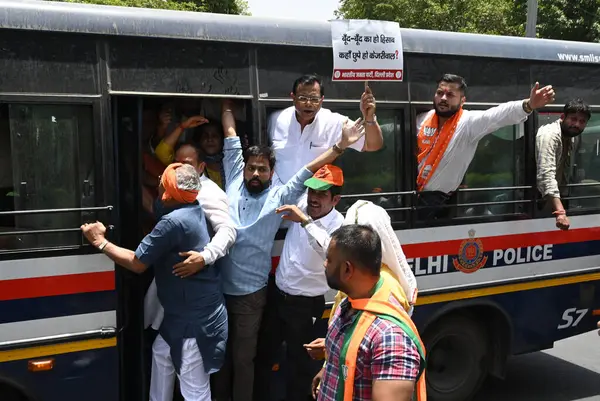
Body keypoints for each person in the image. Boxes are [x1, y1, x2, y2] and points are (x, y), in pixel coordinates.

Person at [209, 99, 365, 401]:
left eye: (263, 169)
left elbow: (309, 169)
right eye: (251, 168)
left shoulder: (285, 198)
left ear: (272, 172)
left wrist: (341, 146)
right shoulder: (234, 179)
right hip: (223, 289)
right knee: (230, 358)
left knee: (258, 361)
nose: (255, 173)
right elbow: (231, 139)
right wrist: (226, 103)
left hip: (258, 297)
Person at [81, 163, 227, 401]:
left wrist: (100, 242)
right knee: (162, 354)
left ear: (168, 193)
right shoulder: (190, 206)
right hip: (180, 316)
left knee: (195, 392)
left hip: (194, 323)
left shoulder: (173, 222)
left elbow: (137, 263)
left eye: (162, 181)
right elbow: (154, 203)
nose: (158, 181)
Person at [281, 200, 418, 362]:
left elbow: (378, 353)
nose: (325, 263)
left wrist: (331, 350)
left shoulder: (386, 292)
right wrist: (330, 346)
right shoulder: (356, 279)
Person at [254, 164, 345, 401]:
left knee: (300, 368)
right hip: (278, 296)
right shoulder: (303, 204)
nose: (313, 199)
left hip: (304, 306)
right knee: (264, 356)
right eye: (312, 192)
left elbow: (329, 250)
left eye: (321, 194)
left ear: (335, 200)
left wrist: (305, 221)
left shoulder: (340, 226)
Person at [416, 74, 556, 219]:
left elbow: (497, 115)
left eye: (450, 95)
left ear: (462, 100)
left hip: (436, 203)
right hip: (410, 196)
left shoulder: (468, 123)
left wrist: (528, 105)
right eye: (440, 93)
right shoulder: (422, 119)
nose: (443, 98)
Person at [311, 225, 426, 401]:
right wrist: (329, 369)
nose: (325, 264)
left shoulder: (391, 339)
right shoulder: (347, 304)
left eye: (329, 260)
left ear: (347, 269)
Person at [144, 142, 237, 333]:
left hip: (191, 283)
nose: (180, 169)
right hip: (169, 279)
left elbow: (228, 231)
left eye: (187, 164)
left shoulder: (209, 193)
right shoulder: (174, 188)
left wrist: (204, 257)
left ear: (201, 167)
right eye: (176, 163)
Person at [268, 74, 383, 186]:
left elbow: (372, 145)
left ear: (322, 100)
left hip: (313, 200)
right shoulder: (277, 119)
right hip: (278, 198)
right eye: (303, 98)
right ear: (293, 97)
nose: (308, 104)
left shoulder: (334, 122)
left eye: (314, 99)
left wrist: (369, 117)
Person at [536, 99, 591, 230]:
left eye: (582, 121)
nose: (577, 124)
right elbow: (545, 176)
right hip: (536, 201)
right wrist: (560, 213)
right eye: (573, 119)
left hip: (553, 199)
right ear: (562, 117)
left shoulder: (572, 137)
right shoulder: (550, 135)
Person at [194, 122, 226, 189]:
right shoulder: (195, 166)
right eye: (205, 136)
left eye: (214, 136)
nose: (210, 139)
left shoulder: (231, 165)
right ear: (199, 140)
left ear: (222, 140)